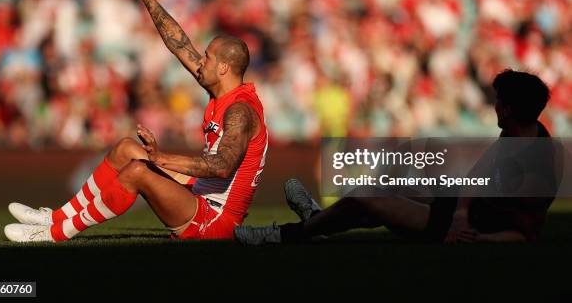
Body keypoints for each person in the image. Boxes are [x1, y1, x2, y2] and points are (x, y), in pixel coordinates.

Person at [4, 0, 268, 243]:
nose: (199, 60)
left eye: (206, 58)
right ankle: (56, 216)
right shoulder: (221, 89)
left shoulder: (240, 111)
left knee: (137, 172)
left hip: (215, 220)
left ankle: (55, 233)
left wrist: (162, 158)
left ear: (223, 68)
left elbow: (222, 166)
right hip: (200, 194)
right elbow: (179, 43)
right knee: (127, 149)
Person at [235, 70, 555, 245]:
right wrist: (460, 211)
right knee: (390, 189)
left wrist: (471, 237)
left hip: (454, 229)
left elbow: (524, 234)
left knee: (368, 197)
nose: (494, 106)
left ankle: (282, 235)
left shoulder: (535, 169)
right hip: (454, 212)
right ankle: (317, 219)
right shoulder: (519, 134)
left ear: (509, 109)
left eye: (499, 102)